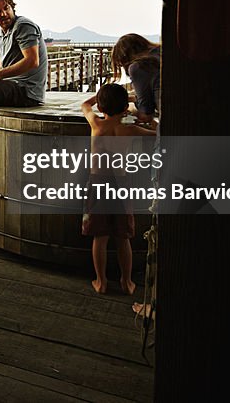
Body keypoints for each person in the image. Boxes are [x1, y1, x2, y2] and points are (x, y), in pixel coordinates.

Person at [80, 83, 156, 295]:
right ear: (123, 108)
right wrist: (135, 105)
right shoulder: (129, 129)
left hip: (98, 184)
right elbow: (157, 132)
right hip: (121, 185)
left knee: (100, 237)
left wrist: (99, 98)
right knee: (123, 237)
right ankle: (126, 281)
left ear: (102, 107)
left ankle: (101, 281)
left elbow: (85, 104)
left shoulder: (96, 124)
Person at [110, 33, 161, 125]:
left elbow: (146, 115)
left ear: (124, 57)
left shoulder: (139, 66)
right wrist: (130, 99)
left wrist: (129, 108)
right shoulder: (160, 52)